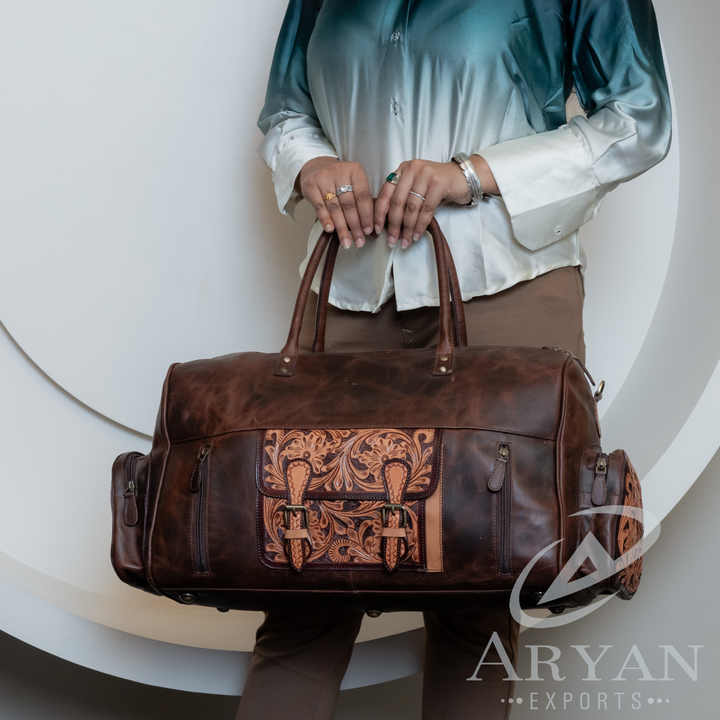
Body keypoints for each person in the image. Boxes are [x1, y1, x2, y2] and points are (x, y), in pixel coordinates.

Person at [237, 1, 672, 718]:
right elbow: (287, 110)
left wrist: (470, 174)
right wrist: (310, 162)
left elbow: (639, 117)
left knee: (478, 589)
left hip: (505, 290)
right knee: (305, 584)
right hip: (351, 293)